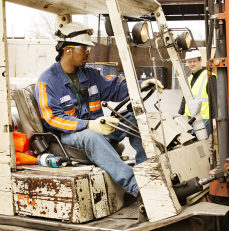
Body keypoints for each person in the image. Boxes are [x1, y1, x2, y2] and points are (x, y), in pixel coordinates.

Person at [35, 22, 163, 198]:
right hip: (68, 136)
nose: (88, 51)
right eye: (84, 47)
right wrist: (89, 125)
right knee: (92, 136)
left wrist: (140, 85)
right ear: (68, 50)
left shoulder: (90, 74)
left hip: (97, 128)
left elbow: (116, 87)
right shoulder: (47, 81)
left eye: (88, 47)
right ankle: (137, 188)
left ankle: (148, 173)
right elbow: (52, 119)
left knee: (133, 119)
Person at [177, 50, 212, 136]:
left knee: (203, 146)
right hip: (191, 118)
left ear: (200, 61)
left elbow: (216, 99)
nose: (192, 64)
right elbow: (185, 97)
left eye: (195, 61)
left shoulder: (208, 77)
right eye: (189, 62)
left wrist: (214, 118)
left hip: (204, 119)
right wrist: (180, 113)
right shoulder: (190, 79)